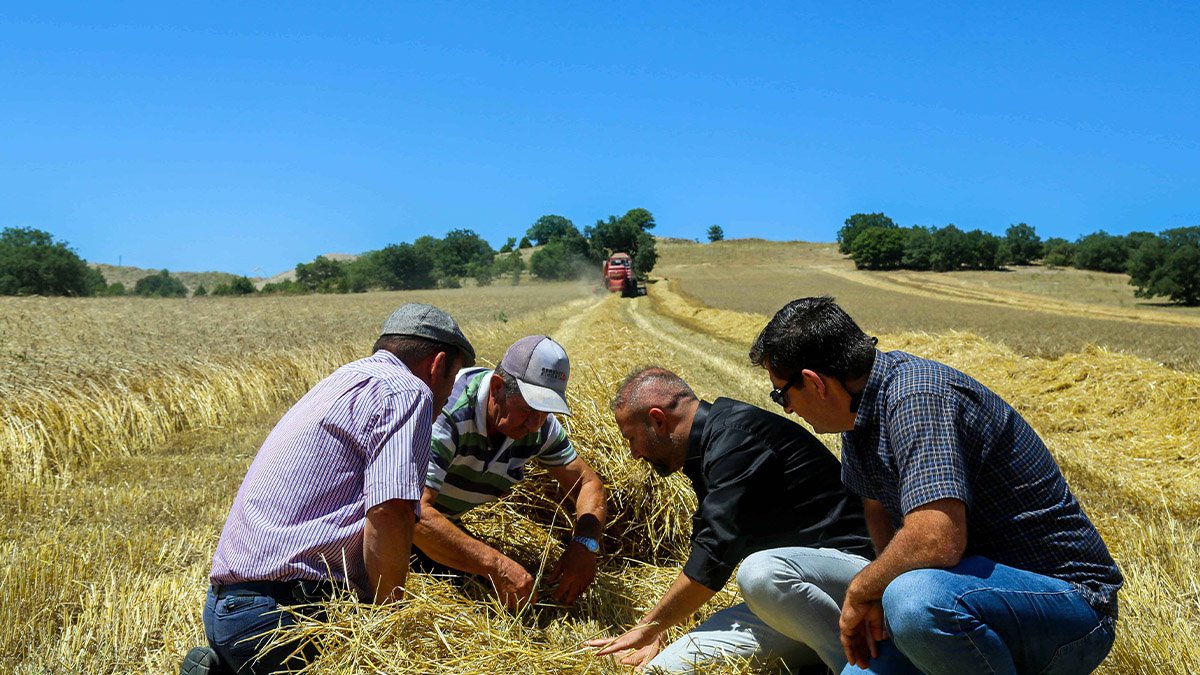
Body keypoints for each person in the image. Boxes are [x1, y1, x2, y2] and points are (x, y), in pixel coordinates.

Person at [750, 296, 1123, 675]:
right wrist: (879, 584)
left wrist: (865, 588)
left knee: (913, 600)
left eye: (782, 394)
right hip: (966, 595)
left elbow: (936, 540)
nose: (788, 408)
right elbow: (876, 505)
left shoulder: (916, 396)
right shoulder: (859, 413)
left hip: (1068, 606)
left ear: (815, 383)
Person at [179, 303, 475, 675]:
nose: (449, 395)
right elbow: (391, 513)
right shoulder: (408, 391)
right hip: (284, 619)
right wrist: (390, 625)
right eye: (453, 379)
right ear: (437, 364)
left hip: (226, 608)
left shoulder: (344, 380)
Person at [587, 367, 875, 673]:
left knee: (760, 574)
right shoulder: (708, 448)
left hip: (851, 576)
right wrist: (660, 630)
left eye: (632, 438)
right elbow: (705, 549)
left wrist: (647, 627)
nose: (633, 453)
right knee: (669, 668)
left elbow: (714, 557)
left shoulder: (736, 440)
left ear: (658, 420)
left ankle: (860, 665)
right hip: (792, 598)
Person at [413, 335, 608, 608]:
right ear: (497, 387)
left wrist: (585, 544)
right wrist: (497, 566)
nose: (534, 424)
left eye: (544, 411)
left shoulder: (539, 425)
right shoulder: (446, 414)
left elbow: (588, 484)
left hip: (438, 523)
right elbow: (412, 513)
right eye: (528, 409)